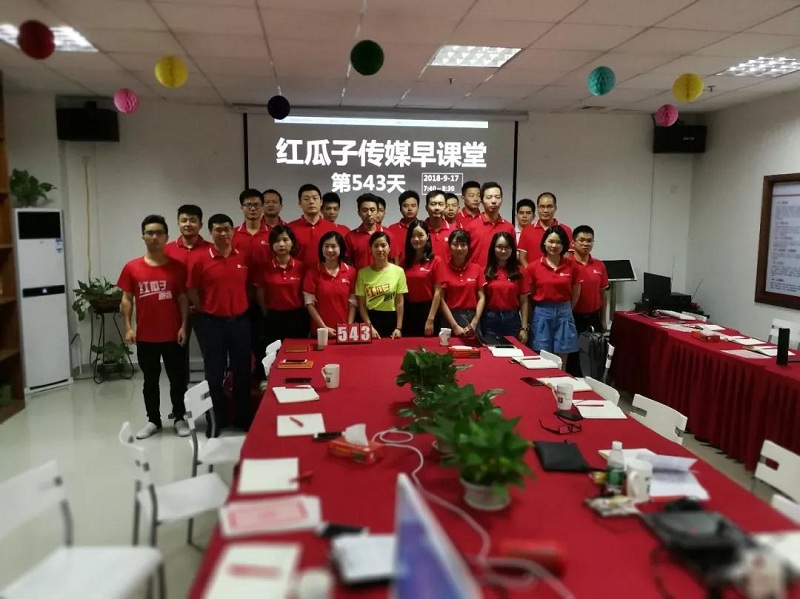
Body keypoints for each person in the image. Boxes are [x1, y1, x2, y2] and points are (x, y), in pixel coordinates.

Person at [119, 215, 189, 440]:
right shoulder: (132, 267)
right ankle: (153, 421)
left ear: (166, 237)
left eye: (159, 233)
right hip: (146, 336)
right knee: (150, 380)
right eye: (149, 233)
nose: (154, 237)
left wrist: (184, 326)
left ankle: (179, 417)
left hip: (172, 334)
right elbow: (127, 299)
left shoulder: (177, 268)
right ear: (143, 237)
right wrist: (128, 327)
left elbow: (183, 299)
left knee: (178, 380)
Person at [187, 214, 252, 436]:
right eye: (218, 230)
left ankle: (243, 419)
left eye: (226, 229)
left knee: (242, 373)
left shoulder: (242, 257)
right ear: (210, 232)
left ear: (233, 231)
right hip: (212, 324)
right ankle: (216, 421)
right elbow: (191, 289)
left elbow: (249, 287)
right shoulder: (201, 259)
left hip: (240, 322)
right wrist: (204, 307)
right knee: (214, 375)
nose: (223, 233)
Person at [164, 204, 209, 383]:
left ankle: (213, 393)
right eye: (183, 220)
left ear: (200, 224)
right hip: (176, 311)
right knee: (177, 356)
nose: (188, 224)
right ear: (178, 223)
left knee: (211, 354)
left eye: (192, 220)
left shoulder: (211, 249)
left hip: (204, 309)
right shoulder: (167, 250)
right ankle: (181, 397)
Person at [526, 225, 580, 366]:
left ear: (564, 245)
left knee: (562, 360)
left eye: (558, 242)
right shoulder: (533, 267)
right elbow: (530, 295)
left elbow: (576, 293)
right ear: (544, 242)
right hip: (542, 313)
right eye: (551, 241)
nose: (554, 246)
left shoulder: (572, 266)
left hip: (564, 313)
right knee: (543, 359)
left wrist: (566, 309)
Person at [233, 189, 270, 386]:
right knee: (241, 341)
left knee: (264, 338)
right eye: (248, 205)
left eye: (257, 205)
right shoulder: (232, 235)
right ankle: (242, 380)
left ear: (262, 207)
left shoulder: (272, 234)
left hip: (267, 296)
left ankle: (264, 376)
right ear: (242, 208)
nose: (253, 209)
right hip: (240, 297)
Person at [255, 225, 309, 350]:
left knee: (297, 353)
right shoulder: (264, 268)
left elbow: (305, 293)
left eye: (285, 240)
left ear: (292, 242)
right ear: (271, 244)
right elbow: (260, 295)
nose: (281, 244)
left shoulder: (301, 267)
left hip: (297, 317)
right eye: (277, 241)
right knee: (275, 354)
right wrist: (268, 314)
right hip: (273, 318)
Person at [304, 231, 357, 337]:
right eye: (326, 246)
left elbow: (353, 303)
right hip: (320, 332)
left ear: (341, 248)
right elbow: (309, 304)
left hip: (344, 332)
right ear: (321, 248)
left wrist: (348, 326)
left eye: (333, 246)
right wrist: (323, 328)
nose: (330, 250)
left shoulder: (351, 272)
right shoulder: (312, 272)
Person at [355, 231, 407, 339]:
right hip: (371, 319)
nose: (380, 249)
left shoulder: (399, 272)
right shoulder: (362, 273)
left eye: (383, 245)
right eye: (376, 246)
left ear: (389, 247)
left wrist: (399, 328)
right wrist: (369, 327)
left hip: (391, 319)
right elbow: (361, 305)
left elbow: (399, 303)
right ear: (370, 249)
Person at [481, 232, 530, 345]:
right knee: (490, 352)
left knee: (513, 352)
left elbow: (524, 301)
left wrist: (524, 328)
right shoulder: (484, 271)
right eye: (499, 247)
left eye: (507, 247)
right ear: (493, 248)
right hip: (490, 319)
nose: (503, 251)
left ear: (512, 249)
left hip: (512, 319)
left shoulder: (520, 272)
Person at [437, 229, 486, 338]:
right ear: (449, 246)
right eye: (455, 244)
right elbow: (441, 299)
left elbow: (482, 297)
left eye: (463, 245)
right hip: (450, 318)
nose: (459, 248)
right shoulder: (442, 268)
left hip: (472, 318)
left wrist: (474, 323)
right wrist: (455, 326)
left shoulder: (476, 268)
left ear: (468, 247)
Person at [402, 220, 442, 337]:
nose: (416, 239)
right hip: (408, 311)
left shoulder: (435, 261)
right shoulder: (404, 263)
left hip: (428, 310)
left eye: (420, 235)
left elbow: (438, 292)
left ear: (427, 236)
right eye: (413, 236)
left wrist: (430, 319)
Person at [466, 181, 516, 269]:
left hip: (501, 275)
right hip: (477, 275)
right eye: (489, 197)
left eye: (497, 197)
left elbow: (513, 255)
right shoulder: (471, 226)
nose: (493, 201)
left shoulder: (509, 227)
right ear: (481, 200)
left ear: (501, 200)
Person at [288, 183, 336, 269]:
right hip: (297, 274)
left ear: (321, 202)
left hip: (324, 274)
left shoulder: (332, 228)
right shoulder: (290, 228)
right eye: (306, 199)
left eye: (315, 198)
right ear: (300, 203)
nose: (311, 202)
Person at [518, 192, 572, 264]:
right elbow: (522, 257)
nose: (545, 210)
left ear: (555, 208)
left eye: (549, 206)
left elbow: (568, 257)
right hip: (532, 271)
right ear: (537, 208)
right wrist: (530, 271)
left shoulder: (566, 230)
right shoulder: (527, 231)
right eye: (542, 206)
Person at [345, 193, 386, 270]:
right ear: (359, 213)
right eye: (365, 210)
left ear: (377, 212)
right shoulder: (350, 237)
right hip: (360, 277)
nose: (369, 214)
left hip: (384, 278)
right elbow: (348, 266)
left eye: (372, 210)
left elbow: (393, 263)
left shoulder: (387, 234)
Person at [387, 190, 420, 265]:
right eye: (405, 206)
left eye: (413, 205)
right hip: (397, 270)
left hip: (419, 270)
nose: (410, 209)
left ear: (418, 207)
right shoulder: (391, 229)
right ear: (400, 208)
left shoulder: (423, 228)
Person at [424, 189, 453, 260]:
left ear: (445, 207)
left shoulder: (453, 231)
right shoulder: (420, 231)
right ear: (426, 208)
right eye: (433, 204)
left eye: (440, 204)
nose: (437, 208)